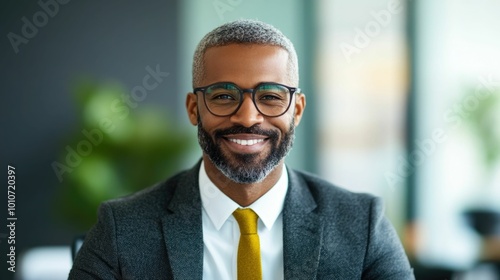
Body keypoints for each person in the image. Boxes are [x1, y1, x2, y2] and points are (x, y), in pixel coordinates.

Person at [69, 19, 414, 279]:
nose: (248, 117)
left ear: (296, 110)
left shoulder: (361, 225)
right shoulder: (122, 228)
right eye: (223, 96)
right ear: (193, 108)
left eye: (270, 97)